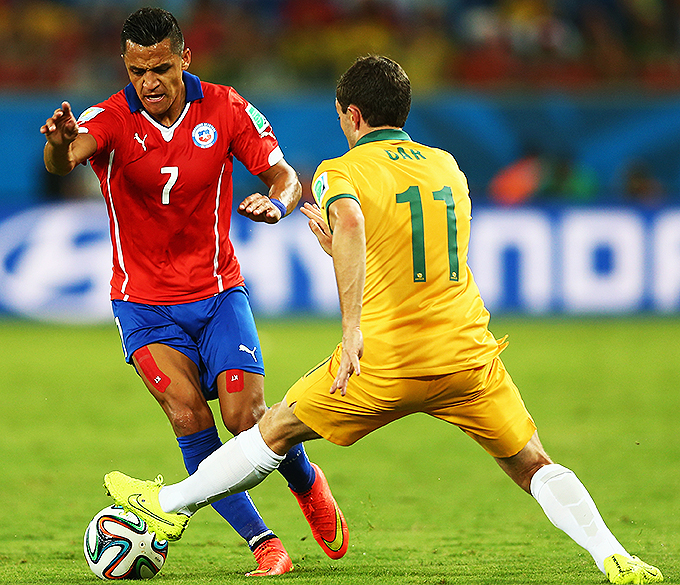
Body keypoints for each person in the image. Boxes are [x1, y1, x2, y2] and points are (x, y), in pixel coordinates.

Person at [103, 55, 663, 584]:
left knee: (272, 430)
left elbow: (348, 221)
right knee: (533, 463)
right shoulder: (447, 166)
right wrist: (346, 255)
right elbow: (420, 254)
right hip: (467, 358)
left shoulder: (340, 170)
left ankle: (166, 505)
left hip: (383, 360)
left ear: (352, 114)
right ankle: (613, 553)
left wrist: (351, 328)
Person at [40, 7, 348, 577]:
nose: (149, 82)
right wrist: (59, 145)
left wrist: (277, 204)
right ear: (126, 67)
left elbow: (284, 178)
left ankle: (305, 479)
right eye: (137, 71)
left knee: (246, 416)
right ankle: (263, 542)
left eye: (159, 68)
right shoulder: (105, 118)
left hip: (216, 293)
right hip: (142, 305)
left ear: (184, 57)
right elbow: (66, 159)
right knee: (187, 417)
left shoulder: (226, 108)